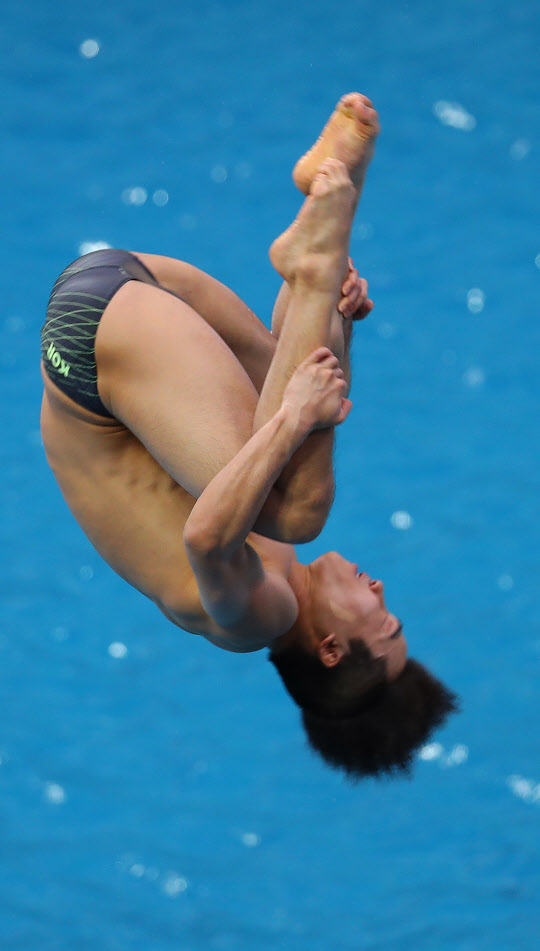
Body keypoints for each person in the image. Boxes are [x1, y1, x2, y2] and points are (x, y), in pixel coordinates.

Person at [40, 93, 457, 780]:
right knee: (290, 471)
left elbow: (205, 537)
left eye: (382, 621)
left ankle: (314, 262)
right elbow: (282, 386)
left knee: (296, 505)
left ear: (329, 648)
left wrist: (297, 414)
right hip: (137, 297)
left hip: (91, 344)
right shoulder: (282, 558)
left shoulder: (253, 619)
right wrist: (338, 330)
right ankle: (315, 262)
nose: (382, 589)